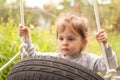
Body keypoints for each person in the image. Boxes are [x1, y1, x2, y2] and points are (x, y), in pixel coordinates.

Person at [18, 13, 118, 74]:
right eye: (61, 38)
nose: (65, 43)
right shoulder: (54, 59)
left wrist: (104, 45)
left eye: (71, 39)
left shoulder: (89, 60)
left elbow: (110, 67)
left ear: (83, 42)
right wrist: (26, 38)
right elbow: (31, 58)